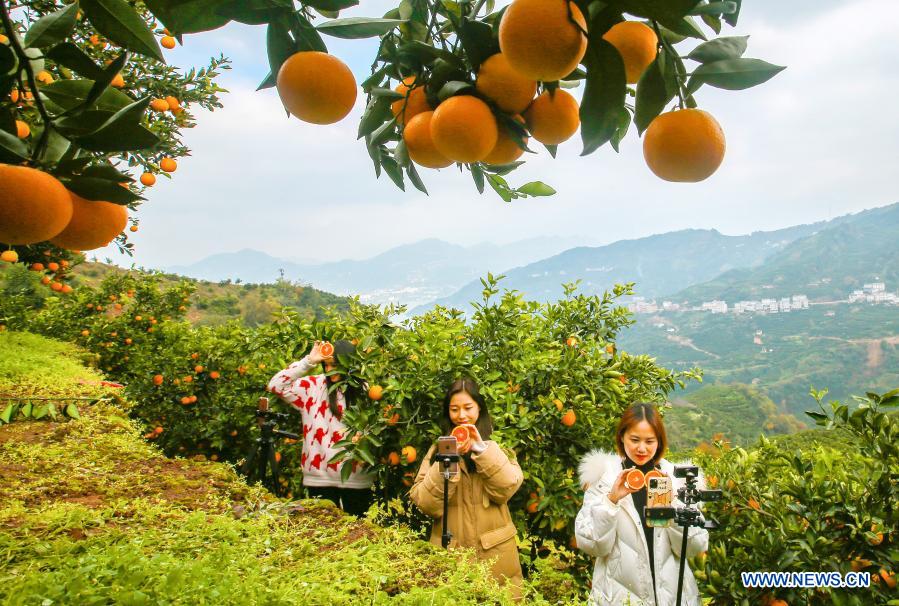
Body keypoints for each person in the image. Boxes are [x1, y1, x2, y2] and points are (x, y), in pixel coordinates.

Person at [574, 402, 709, 606]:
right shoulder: (604, 480)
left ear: (660, 442)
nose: (642, 448)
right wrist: (611, 501)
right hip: (619, 598)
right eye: (635, 439)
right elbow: (592, 545)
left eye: (650, 441)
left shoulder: (678, 480)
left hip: (673, 597)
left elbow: (694, 547)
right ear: (622, 437)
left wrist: (673, 503)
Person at [410, 378, 524, 600]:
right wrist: (447, 460)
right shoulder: (438, 451)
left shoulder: (496, 446)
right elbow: (426, 504)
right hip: (452, 555)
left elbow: (506, 489)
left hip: (497, 555)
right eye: (454, 409)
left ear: (479, 408)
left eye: (468, 407)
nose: (461, 416)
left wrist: (481, 450)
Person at [266, 339, 374, 516]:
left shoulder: (364, 390)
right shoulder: (311, 387)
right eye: (327, 365)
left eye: (336, 365)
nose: (330, 370)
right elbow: (275, 385)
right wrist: (309, 361)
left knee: (357, 535)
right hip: (319, 477)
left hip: (356, 477)